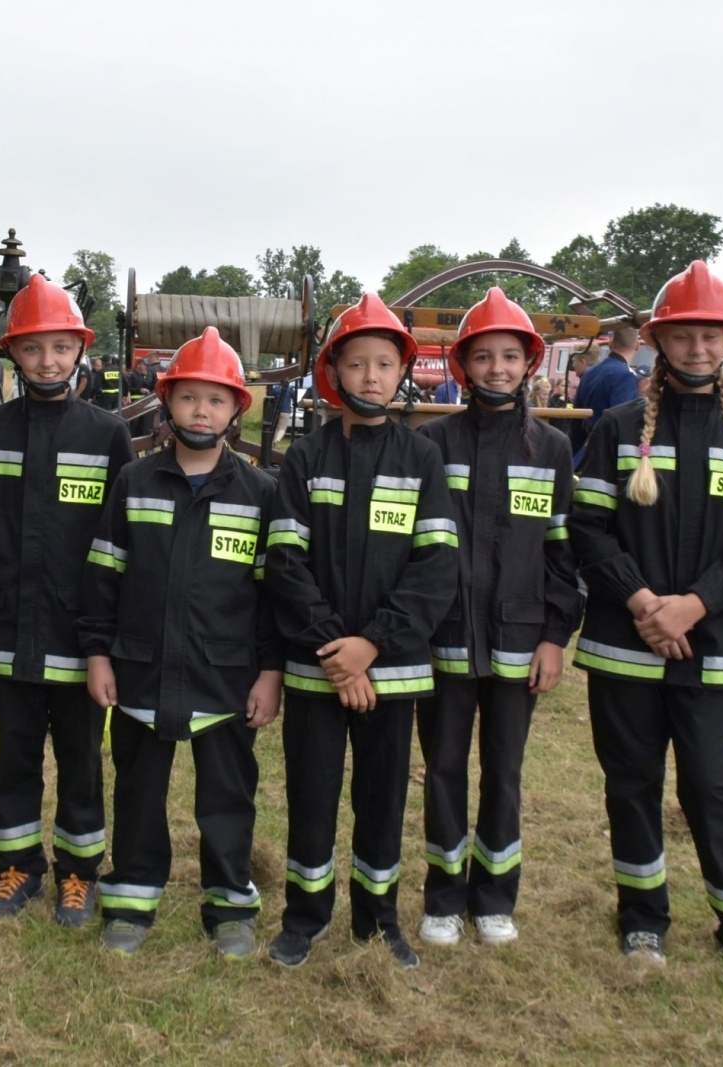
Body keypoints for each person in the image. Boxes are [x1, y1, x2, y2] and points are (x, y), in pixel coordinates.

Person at [570, 261, 723, 987]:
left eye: (711, 335)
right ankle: (642, 919)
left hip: (708, 642)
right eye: (684, 335)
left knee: (711, 780)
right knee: (631, 781)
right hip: (623, 643)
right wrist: (642, 604)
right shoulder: (616, 428)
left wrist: (692, 605)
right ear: (660, 341)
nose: (698, 348)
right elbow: (589, 531)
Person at [264, 293, 457, 970]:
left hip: (392, 669)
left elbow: (435, 569)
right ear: (334, 373)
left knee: (380, 803)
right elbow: (284, 562)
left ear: (402, 370)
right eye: (357, 363)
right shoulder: (305, 457)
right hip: (320, 670)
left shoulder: (422, 458)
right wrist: (334, 652)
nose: (371, 376)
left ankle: (378, 920)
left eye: (384, 363)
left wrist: (372, 645)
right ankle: (305, 918)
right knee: (311, 797)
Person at [79, 327, 281, 958]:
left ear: (236, 410)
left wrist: (270, 672)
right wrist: (97, 655)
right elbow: (103, 575)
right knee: (138, 792)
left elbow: (274, 596)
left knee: (227, 800)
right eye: (189, 397)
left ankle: (230, 907)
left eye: (216, 400)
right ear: (167, 402)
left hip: (225, 677)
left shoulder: (260, 494)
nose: (201, 411)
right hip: (140, 670)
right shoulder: (134, 483)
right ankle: (132, 899)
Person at [0, 274, 134, 928]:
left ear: (80, 351)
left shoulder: (106, 435)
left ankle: (79, 874)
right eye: (33, 349)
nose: (48, 361)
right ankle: (17, 868)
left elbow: (121, 548)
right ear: (14, 354)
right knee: (15, 756)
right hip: (7, 630)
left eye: (61, 347)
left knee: (83, 761)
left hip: (81, 639)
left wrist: (105, 639)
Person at [415, 288, 582, 949]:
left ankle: (494, 900)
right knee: (444, 768)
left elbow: (562, 553)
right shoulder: (430, 445)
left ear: (529, 363)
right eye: (482, 356)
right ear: (462, 365)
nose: (496, 368)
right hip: (446, 640)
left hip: (519, 641)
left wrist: (553, 637)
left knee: (504, 773)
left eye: (510, 356)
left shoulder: (553, 449)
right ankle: (443, 899)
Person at [571, 326, 640, 467]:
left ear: (610, 344)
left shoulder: (589, 373)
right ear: (637, 346)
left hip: (580, 454)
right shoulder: (626, 376)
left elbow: (576, 421)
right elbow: (623, 425)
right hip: (605, 458)